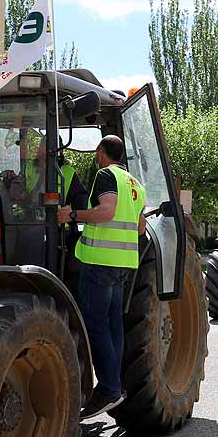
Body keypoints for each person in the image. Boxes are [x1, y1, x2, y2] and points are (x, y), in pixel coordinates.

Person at [57, 135, 146, 420]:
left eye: (97, 153)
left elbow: (106, 212)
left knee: (94, 324)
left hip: (100, 262)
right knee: (113, 324)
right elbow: (140, 226)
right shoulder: (135, 184)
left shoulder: (106, 175)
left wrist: (72, 215)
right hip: (123, 264)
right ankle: (115, 385)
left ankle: (108, 387)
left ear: (100, 153)